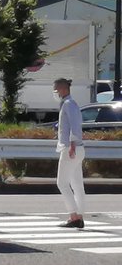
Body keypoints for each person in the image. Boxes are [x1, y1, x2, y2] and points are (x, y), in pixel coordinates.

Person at [53, 77, 85, 228]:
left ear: (64, 89)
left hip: (70, 148)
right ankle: (79, 215)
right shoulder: (70, 103)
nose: (56, 92)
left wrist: (71, 144)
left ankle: (73, 216)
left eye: (57, 89)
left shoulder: (68, 104)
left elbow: (75, 126)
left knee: (62, 183)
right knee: (77, 184)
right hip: (78, 149)